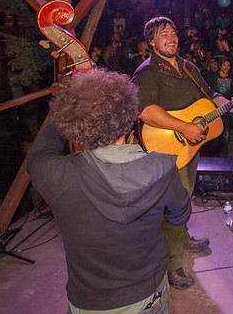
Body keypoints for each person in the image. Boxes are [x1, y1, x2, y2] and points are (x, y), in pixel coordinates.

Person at [27, 68, 190, 313]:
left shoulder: (57, 175)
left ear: (74, 124)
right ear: (129, 119)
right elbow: (179, 216)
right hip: (146, 298)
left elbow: (40, 152)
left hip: (86, 304)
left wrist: (69, 110)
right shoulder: (163, 169)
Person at [131, 17, 233, 290]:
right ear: (152, 42)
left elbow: (210, 94)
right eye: (163, 34)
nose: (171, 37)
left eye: (173, 32)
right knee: (174, 205)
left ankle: (182, 238)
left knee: (185, 197)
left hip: (188, 149)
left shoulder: (188, 68)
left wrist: (225, 101)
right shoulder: (147, 73)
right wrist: (185, 127)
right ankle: (173, 265)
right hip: (165, 150)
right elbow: (146, 111)